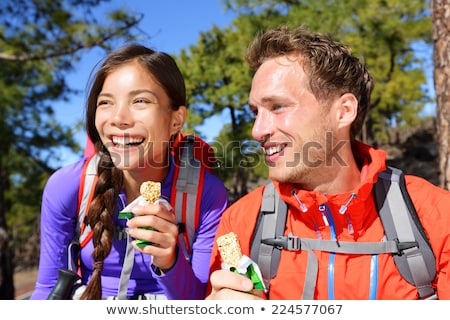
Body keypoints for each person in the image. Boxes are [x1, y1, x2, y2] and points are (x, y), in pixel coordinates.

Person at [206, 25, 450, 300]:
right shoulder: (239, 223)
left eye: (277, 107)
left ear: (344, 111)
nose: (257, 130)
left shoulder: (437, 218)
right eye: (255, 112)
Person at [30, 44, 229, 300]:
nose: (118, 118)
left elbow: (202, 303)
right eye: (105, 102)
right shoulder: (68, 186)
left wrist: (170, 260)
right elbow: (48, 289)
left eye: (140, 101)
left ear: (176, 120)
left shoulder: (207, 195)